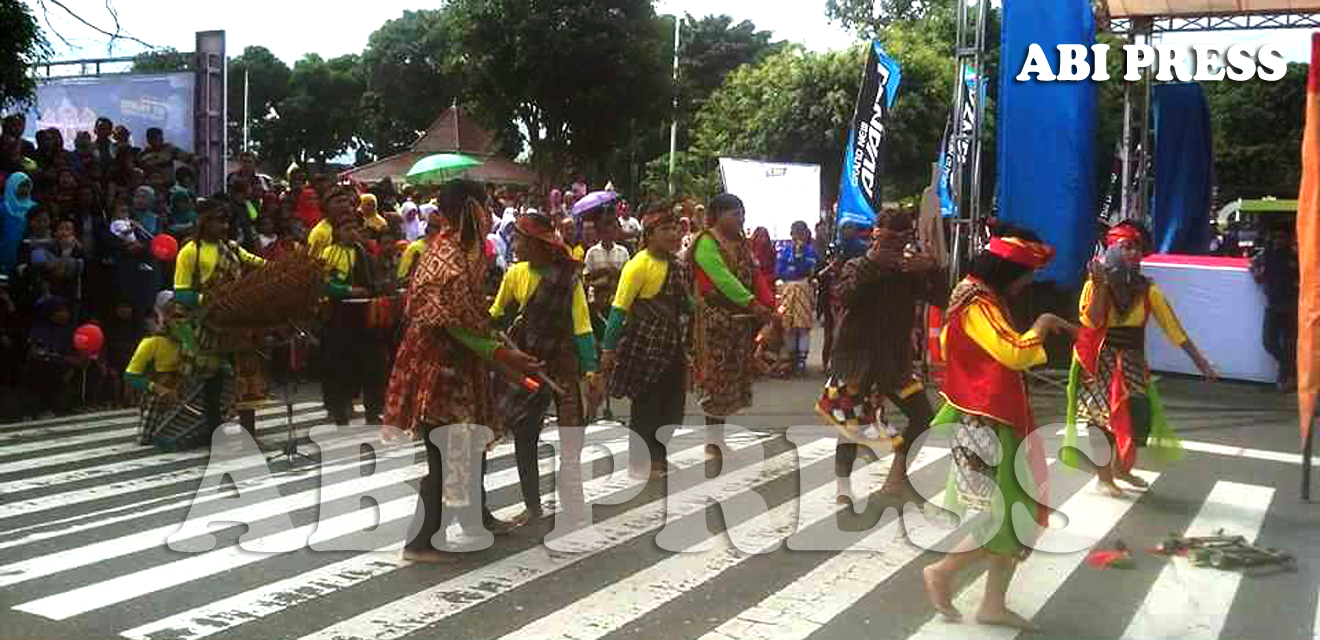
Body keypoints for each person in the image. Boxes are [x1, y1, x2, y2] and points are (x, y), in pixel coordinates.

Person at [922, 226, 1075, 631]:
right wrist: (1044, 323)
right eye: (1026, 275)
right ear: (1009, 272)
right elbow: (1015, 353)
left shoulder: (977, 295)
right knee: (1010, 516)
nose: (1028, 283)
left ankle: (992, 603)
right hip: (989, 421)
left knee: (1018, 514)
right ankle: (943, 572)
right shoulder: (978, 303)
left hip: (998, 415)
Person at [384, 179, 539, 563]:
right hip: (440, 370)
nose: (489, 214)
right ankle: (420, 543)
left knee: (469, 448)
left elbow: (468, 318)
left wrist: (500, 350)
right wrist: (503, 356)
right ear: (471, 209)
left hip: (459, 365)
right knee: (444, 455)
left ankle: (473, 520)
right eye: (485, 205)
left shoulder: (464, 251)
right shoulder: (448, 258)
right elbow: (451, 325)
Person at [1065, 222, 1216, 497]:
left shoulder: (1148, 290)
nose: (1134, 253)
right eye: (1126, 247)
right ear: (1111, 250)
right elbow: (1092, 321)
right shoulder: (1093, 286)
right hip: (1098, 361)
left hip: (1132, 361)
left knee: (1137, 417)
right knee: (1100, 420)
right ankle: (1104, 478)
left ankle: (1121, 469)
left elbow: (1174, 329)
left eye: (1137, 248)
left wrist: (1201, 363)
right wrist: (1100, 286)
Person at [817, 208, 947, 503]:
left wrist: (931, 268)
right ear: (874, 238)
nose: (887, 248)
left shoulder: (909, 272)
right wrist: (872, 264)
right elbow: (844, 296)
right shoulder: (856, 264)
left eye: (896, 243)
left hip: (895, 363)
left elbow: (942, 298)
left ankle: (896, 477)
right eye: (882, 241)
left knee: (923, 417)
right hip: (855, 360)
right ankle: (843, 487)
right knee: (850, 425)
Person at [490, 209, 599, 528]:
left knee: (571, 435)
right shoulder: (514, 274)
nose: (515, 246)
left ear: (539, 244)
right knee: (524, 433)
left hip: (562, 361)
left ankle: (573, 502)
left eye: (520, 240)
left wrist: (591, 370)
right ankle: (532, 505)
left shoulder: (567, 278)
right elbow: (496, 312)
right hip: (524, 363)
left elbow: (582, 325)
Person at [600, 201, 690, 480]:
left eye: (676, 228)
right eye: (666, 229)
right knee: (647, 406)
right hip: (645, 345)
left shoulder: (677, 265)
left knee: (672, 406)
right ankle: (642, 462)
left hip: (672, 344)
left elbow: (686, 305)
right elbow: (619, 309)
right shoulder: (637, 265)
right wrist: (608, 349)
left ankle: (658, 457)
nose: (674, 234)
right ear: (649, 234)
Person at [172, 198, 269, 448]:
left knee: (246, 379)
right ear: (204, 222)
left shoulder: (233, 249)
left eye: (226, 222)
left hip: (237, 323)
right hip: (209, 324)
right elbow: (181, 293)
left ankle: (248, 433)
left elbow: (260, 265)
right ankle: (213, 432)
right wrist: (213, 299)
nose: (224, 227)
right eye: (218, 221)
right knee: (211, 381)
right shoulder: (190, 252)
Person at [687, 194, 775, 463]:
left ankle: (719, 439)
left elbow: (756, 275)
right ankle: (713, 443)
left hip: (740, 322)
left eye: (742, 213)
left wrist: (769, 306)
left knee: (731, 382)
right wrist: (752, 303)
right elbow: (722, 279)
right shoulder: (705, 242)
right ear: (717, 215)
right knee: (716, 381)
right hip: (715, 322)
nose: (741, 219)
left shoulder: (741, 243)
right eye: (735, 214)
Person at [318, 198, 388, 426]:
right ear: (337, 231)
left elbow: (375, 283)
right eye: (346, 228)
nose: (351, 233)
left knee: (373, 365)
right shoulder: (329, 254)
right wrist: (347, 290)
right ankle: (339, 410)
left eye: (354, 228)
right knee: (338, 366)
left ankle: (372, 410)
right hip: (339, 318)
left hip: (365, 317)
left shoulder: (365, 255)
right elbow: (323, 284)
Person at [1252, 226, 1300, 392]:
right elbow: (1252, 264)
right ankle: (1291, 372)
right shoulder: (1266, 254)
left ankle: (1284, 380)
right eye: (1275, 237)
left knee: (1289, 345)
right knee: (1268, 342)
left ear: (1289, 239)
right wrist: (1257, 274)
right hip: (1272, 304)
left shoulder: (1296, 255)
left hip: (1291, 306)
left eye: (1281, 237)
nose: (1278, 240)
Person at [775, 220, 818, 376]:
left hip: (803, 289)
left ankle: (802, 360)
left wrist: (799, 257)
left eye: (800, 233)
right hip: (787, 290)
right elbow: (779, 271)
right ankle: (790, 359)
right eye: (794, 233)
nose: (797, 237)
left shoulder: (810, 251)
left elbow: (806, 270)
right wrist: (792, 270)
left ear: (806, 234)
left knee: (803, 327)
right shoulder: (785, 250)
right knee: (789, 325)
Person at [398, 205, 445, 287]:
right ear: (428, 228)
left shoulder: (444, 249)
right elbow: (402, 277)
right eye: (436, 227)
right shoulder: (414, 248)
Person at [1, 173, 36, 276]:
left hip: (27, 251)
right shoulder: (3, 207)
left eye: (27, 186)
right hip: (5, 249)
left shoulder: (35, 207)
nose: (25, 189)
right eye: (21, 186)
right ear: (12, 186)